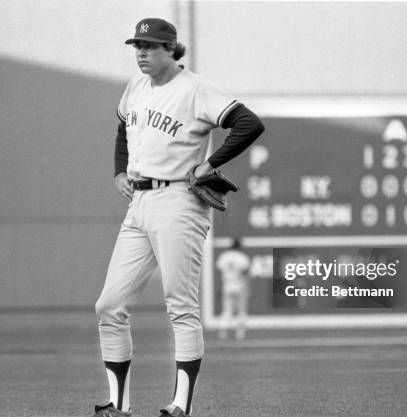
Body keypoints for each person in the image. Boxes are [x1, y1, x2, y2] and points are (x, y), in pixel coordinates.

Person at [93, 17, 265, 417]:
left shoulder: (196, 89)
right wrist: (120, 170)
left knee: (180, 306)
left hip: (180, 201)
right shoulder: (136, 85)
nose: (141, 53)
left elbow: (249, 123)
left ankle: (180, 406)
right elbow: (123, 129)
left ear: (172, 50)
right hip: (139, 201)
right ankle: (118, 405)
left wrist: (212, 162)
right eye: (137, 46)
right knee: (109, 304)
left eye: (150, 46)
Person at [216, 238, 251, 340]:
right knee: (242, 311)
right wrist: (248, 289)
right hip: (240, 286)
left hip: (227, 286)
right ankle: (240, 334)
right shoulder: (242, 257)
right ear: (239, 246)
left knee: (227, 310)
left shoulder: (224, 256)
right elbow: (246, 274)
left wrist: (219, 287)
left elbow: (219, 273)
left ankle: (223, 332)